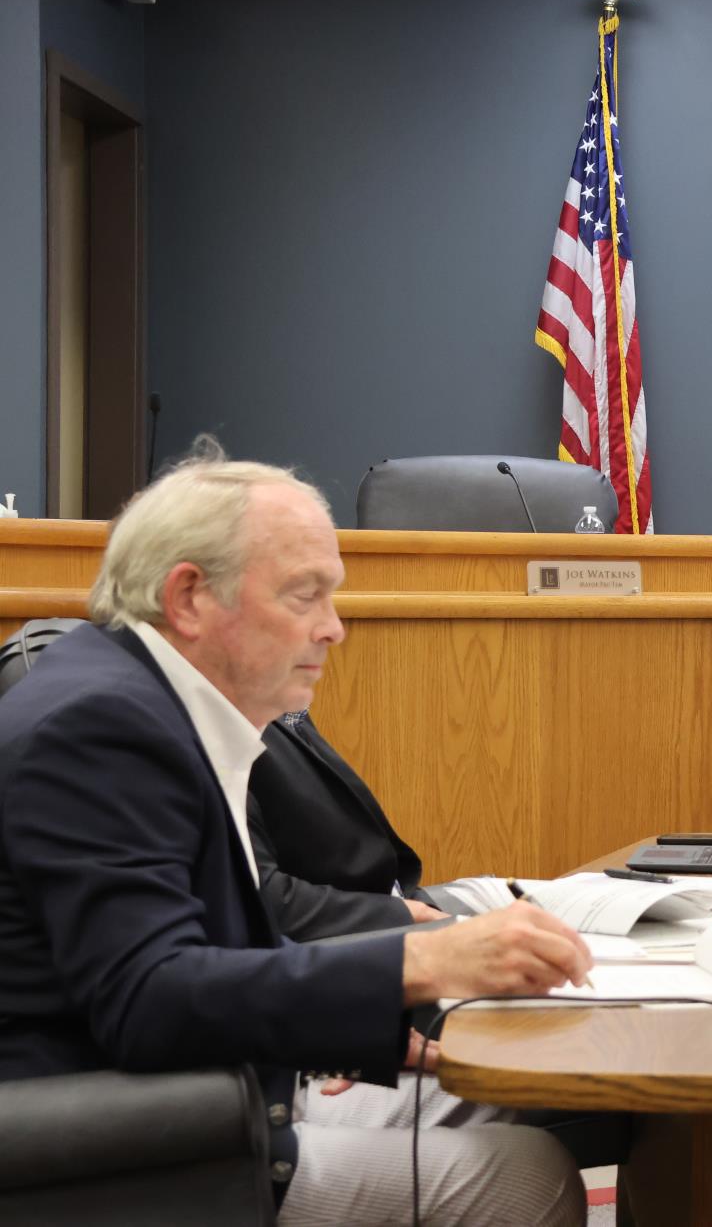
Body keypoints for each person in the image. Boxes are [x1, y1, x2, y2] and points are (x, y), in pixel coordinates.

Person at [0, 443, 595, 1226]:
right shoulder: (101, 729)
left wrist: (358, 1024)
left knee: (499, 1104)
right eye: (305, 594)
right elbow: (147, 997)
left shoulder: (130, 692)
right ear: (188, 598)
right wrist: (419, 959)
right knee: (532, 1177)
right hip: (121, 1148)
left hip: (177, 1090)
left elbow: (202, 947)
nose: (335, 628)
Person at [250, 709, 453, 939]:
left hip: (386, 903)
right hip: (334, 938)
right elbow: (262, 900)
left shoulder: (283, 714)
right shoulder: (225, 733)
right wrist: (406, 913)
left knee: (497, 901)